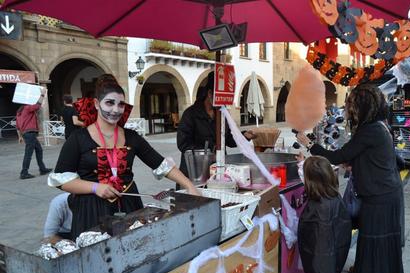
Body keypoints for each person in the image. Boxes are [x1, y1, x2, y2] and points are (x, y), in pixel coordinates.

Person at [48, 74, 199, 240]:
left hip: (128, 205)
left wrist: (189, 185)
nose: (115, 110)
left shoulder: (132, 137)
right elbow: (61, 180)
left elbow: (161, 164)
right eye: (109, 103)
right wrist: (95, 187)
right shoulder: (78, 138)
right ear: (97, 104)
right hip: (90, 209)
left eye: (120, 104)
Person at [297, 84, 405, 273]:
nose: (349, 109)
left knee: (376, 244)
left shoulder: (370, 130)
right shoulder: (379, 125)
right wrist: (356, 162)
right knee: (372, 243)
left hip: (380, 196)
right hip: (384, 193)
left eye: (352, 105)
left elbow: (337, 156)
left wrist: (309, 144)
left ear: (363, 105)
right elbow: (372, 156)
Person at [176, 72, 255, 182]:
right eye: (220, 97)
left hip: (218, 170)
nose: (222, 103)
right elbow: (183, 143)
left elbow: (227, 140)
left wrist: (244, 136)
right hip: (194, 173)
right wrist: (207, 154)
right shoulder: (191, 114)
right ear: (209, 93)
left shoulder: (222, 114)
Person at [298, 156, 351, 273]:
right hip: (333, 257)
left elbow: (320, 253)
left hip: (322, 265)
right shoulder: (333, 196)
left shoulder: (319, 207)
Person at [16, 90, 52, 179]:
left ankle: (42, 169)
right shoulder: (27, 108)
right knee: (28, 153)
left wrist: (20, 136)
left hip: (26, 133)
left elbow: (17, 126)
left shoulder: (19, 112)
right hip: (30, 133)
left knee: (39, 150)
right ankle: (24, 172)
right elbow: (38, 106)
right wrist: (42, 94)